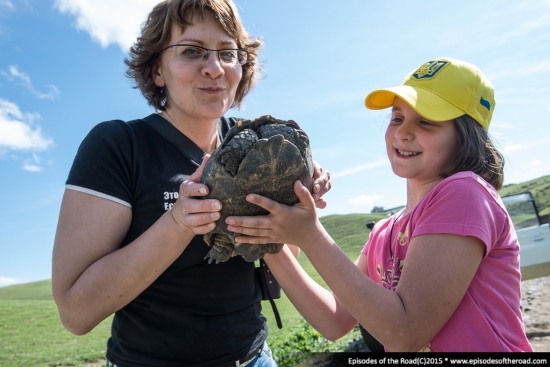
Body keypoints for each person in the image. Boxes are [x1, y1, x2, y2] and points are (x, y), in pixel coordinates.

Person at [51, 1, 330, 366]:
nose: (215, 68)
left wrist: (291, 198)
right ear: (157, 71)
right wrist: (178, 222)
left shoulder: (257, 140)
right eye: (192, 51)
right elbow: (76, 313)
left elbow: (277, 255)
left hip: (254, 358)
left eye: (228, 53)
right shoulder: (119, 146)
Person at [223, 57, 534, 352]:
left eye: (426, 121)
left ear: (467, 134)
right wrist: (266, 230)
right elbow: (334, 321)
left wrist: (310, 235)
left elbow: (405, 333)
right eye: (397, 117)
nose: (403, 132)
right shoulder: (385, 231)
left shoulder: (465, 193)